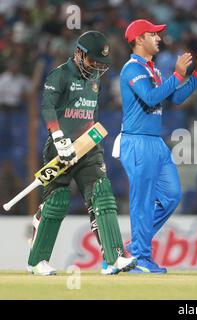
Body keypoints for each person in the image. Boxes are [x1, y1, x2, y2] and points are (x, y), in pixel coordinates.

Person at [28, 31, 136, 276]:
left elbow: (91, 112)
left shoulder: (95, 77)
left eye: (101, 62)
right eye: (93, 61)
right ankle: (37, 261)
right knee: (57, 202)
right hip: (61, 147)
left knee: (103, 196)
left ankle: (114, 258)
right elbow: (47, 106)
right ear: (79, 53)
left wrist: (92, 136)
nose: (97, 66)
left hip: (87, 147)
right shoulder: (60, 74)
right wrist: (57, 136)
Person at [115, 19, 197, 274]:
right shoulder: (131, 69)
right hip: (136, 141)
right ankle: (139, 258)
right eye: (153, 34)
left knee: (171, 196)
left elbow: (176, 97)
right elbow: (150, 97)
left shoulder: (152, 69)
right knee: (142, 201)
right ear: (138, 40)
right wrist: (178, 74)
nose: (159, 38)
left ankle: (136, 246)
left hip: (155, 142)